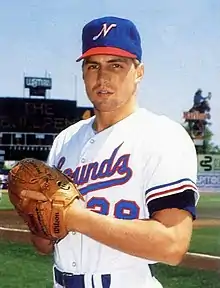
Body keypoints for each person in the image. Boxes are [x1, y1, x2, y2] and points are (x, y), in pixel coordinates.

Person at [31, 16, 199, 288]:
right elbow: (44, 245)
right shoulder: (65, 140)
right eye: (93, 65)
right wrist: (39, 219)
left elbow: (172, 245)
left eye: (116, 65)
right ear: (83, 73)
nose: (103, 77)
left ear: (139, 72)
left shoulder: (164, 135)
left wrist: (76, 218)